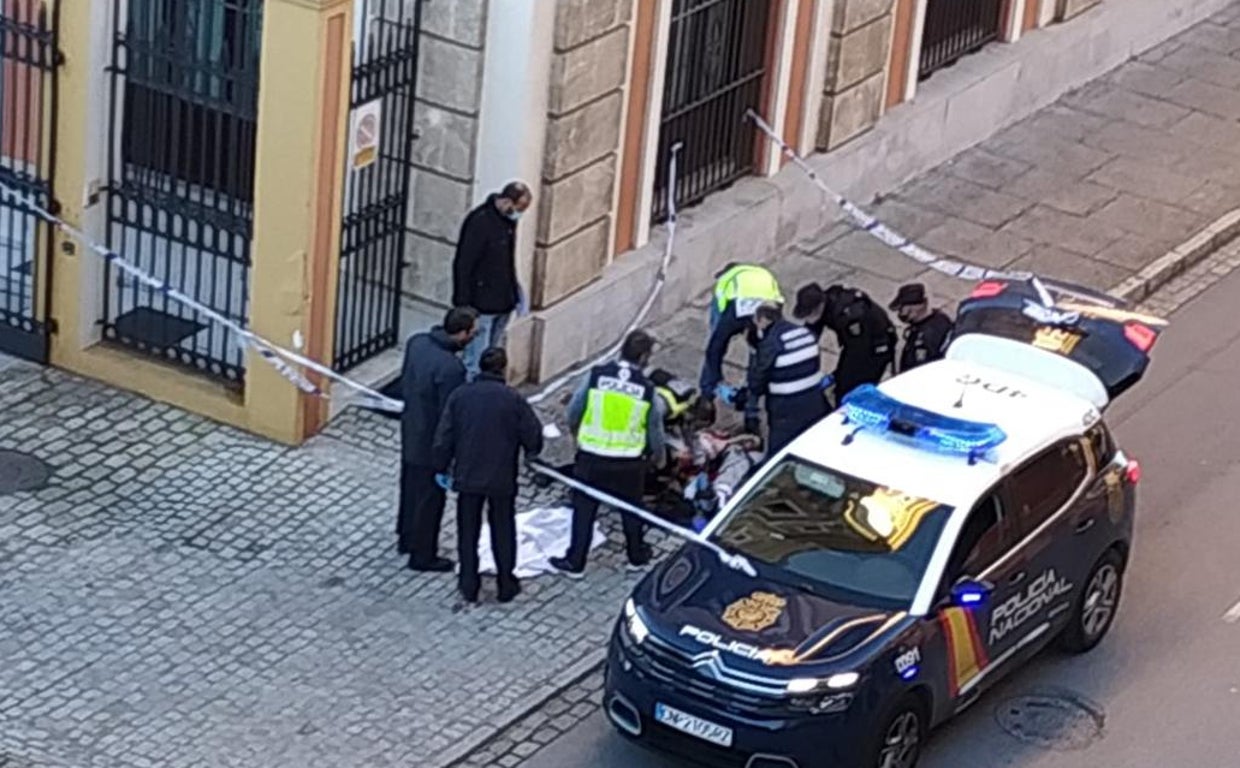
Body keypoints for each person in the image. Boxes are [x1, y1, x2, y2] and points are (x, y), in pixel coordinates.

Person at [551, 330, 668, 578]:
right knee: (632, 510)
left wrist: (576, 434)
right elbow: (654, 428)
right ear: (645, 357)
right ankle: (636, 556)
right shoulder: (647, 390)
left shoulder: (596, 376)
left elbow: (574, 410)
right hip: (628, 462)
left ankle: (575, 561)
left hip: (592, 455)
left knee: (583, 509)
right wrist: (658, 457)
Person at [433, 347, 544, 604]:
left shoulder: (461, 396)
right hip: (501, 477)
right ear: (503, 369)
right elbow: (532, 432)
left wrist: (441, 465)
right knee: (503, 528)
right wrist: (531, 454)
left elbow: (444, 435)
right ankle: (506, 581)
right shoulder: (512, 399)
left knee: (467, 530)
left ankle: (469, 583)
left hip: (468, 475)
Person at [398, 306, 478, 572]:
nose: (474, 337)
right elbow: (449, 416)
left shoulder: (416, 343)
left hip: (411, 429)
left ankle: (406, 537)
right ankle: (422, 554)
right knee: (430, 500)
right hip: (431, 444)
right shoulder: (451, 368)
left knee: (409, 487)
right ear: (462, 333)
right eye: (472, 333)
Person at [452, 181, 533, 380]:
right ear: (506, 201)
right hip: (482, 306)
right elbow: (464, 264)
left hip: (504, 301)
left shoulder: (508, 222)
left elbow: (507, 261)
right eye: (517, 208)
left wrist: (516, 293)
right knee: (475, 358)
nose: (518, 214)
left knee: (492, 355)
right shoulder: (479, 222)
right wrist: (464, 304)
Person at [699, 263, 784, 428]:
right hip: (733, 290)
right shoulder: (731, 318)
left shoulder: (774, 318)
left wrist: (753, 385)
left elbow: (766, 360)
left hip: (762, 282)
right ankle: (706, 395)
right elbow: (714, 350)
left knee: (759, 359)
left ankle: (751, 410)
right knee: (715, 343)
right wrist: (719, 384)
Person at [748, 302, 829, 454]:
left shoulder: (771, 343)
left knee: (780, 452)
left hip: (786, 407)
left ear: (763, 320)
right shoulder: (805, 333)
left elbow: (757, 382)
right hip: (814, 401)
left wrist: (754, 351)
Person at [792, 282, 896, 401]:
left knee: (852, 387)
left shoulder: (848, 317)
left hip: (875, 346)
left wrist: (838, 375)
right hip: (856, 342)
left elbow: (856, 354)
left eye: (810, 313)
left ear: (820, 306)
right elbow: (812, 329)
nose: (808, 318)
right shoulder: (826, 303)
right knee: (843, 380)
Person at [890, 282, 955, 374]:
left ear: (915, 308)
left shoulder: (925, 339)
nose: (900, 314)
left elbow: (916, 371)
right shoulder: (941, 318)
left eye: (901, 309)